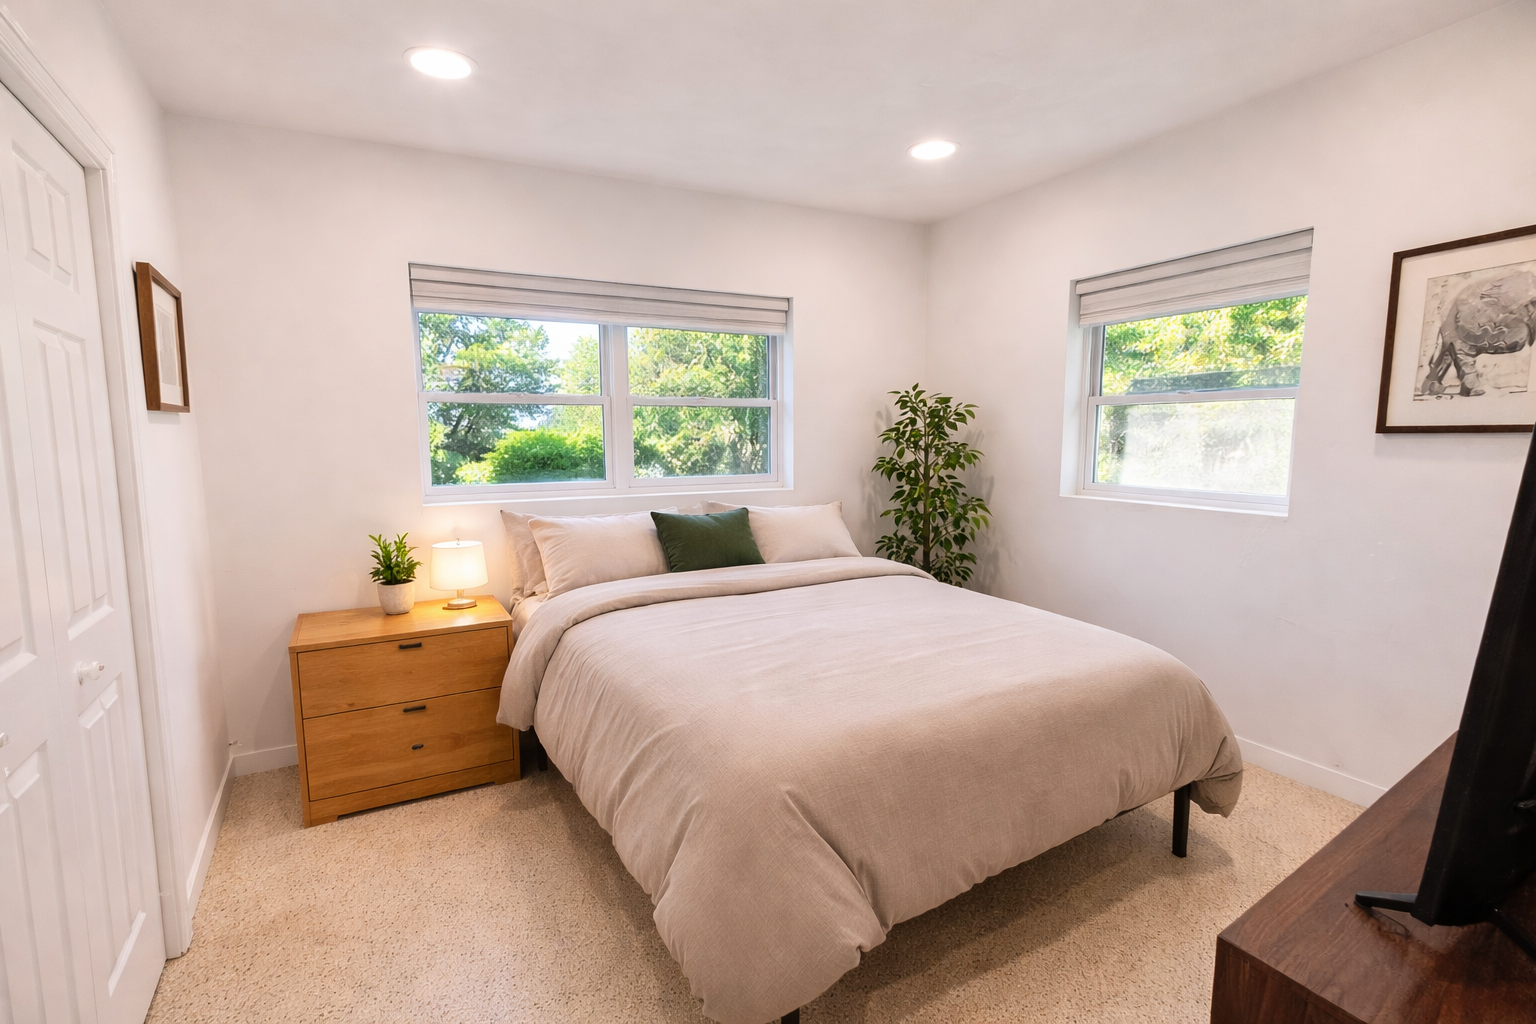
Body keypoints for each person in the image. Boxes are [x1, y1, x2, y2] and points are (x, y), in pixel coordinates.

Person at [1419, 270, 1536, 397]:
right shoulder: (1474, 303)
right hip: (1471, 317)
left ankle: (1461, 379)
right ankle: (1462, 380)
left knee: (1456, 344)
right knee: (1456, 344)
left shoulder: (1518, 288)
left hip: (1473, 318)